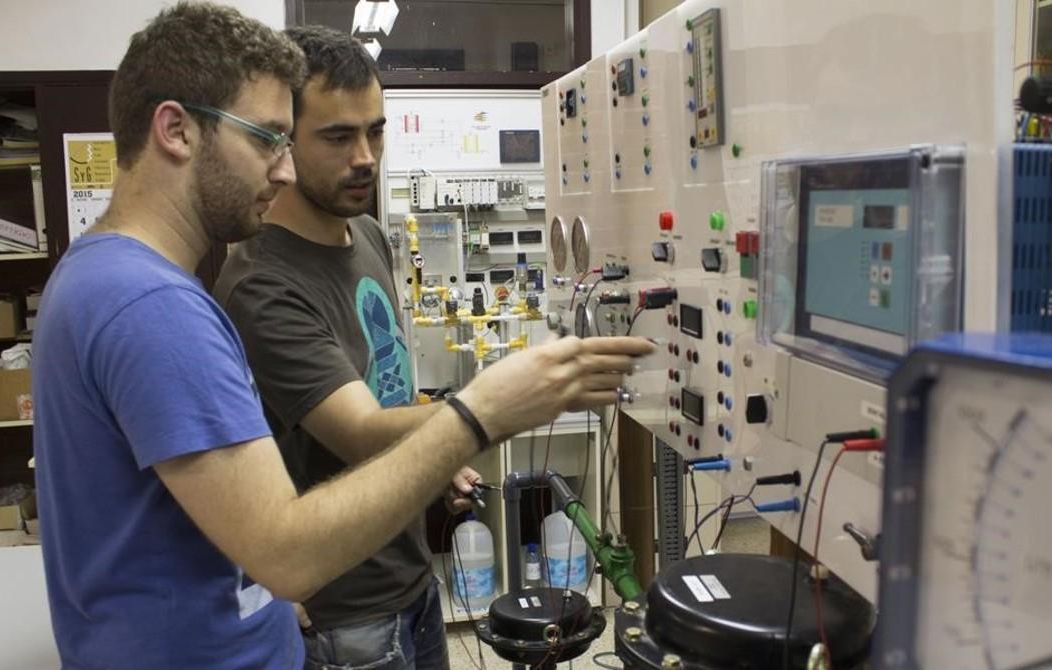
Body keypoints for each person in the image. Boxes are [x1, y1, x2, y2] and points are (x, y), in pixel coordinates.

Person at [32, 3, 652, 669]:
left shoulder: (106, 275)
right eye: (269, 138)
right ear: (176, 130)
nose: (285, 168)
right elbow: (291, 552)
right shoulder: (153, 305)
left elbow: (220, 520)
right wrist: (483, 411)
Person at [212, 25, 496, 669]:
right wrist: (497, 402)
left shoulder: (365, 233)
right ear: (282, 139)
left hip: (410, 574)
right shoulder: (262, 284)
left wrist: (438, 457)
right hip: (345, 612)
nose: (366, 156)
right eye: (338, 137)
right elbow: (362, 431)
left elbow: (385, 387)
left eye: (375, 130)